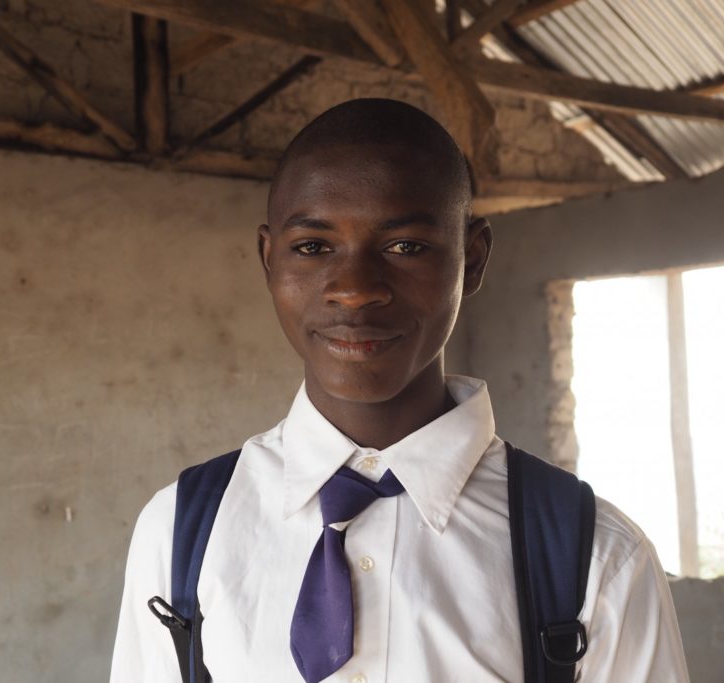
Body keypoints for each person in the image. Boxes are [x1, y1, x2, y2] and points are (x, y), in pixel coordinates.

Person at [110, 99, 688, 682]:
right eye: (312, 247)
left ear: (474, 257)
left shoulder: (595, 558)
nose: (355, 290)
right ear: (269, 260)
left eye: (405, 246)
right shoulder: (182, 530)